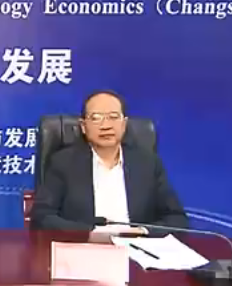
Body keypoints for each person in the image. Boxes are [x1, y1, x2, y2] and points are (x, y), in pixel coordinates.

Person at [30, 90, 188, 235]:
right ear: (83, 126)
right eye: (96, 118)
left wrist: (142, 232)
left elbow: (177, 219)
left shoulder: (148, 163)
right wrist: (89, 234)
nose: (106, 126)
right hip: (84, 247)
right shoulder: (63, 163)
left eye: (113, 117)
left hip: (136, 247)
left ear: (124, 123)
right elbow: (42, 217)